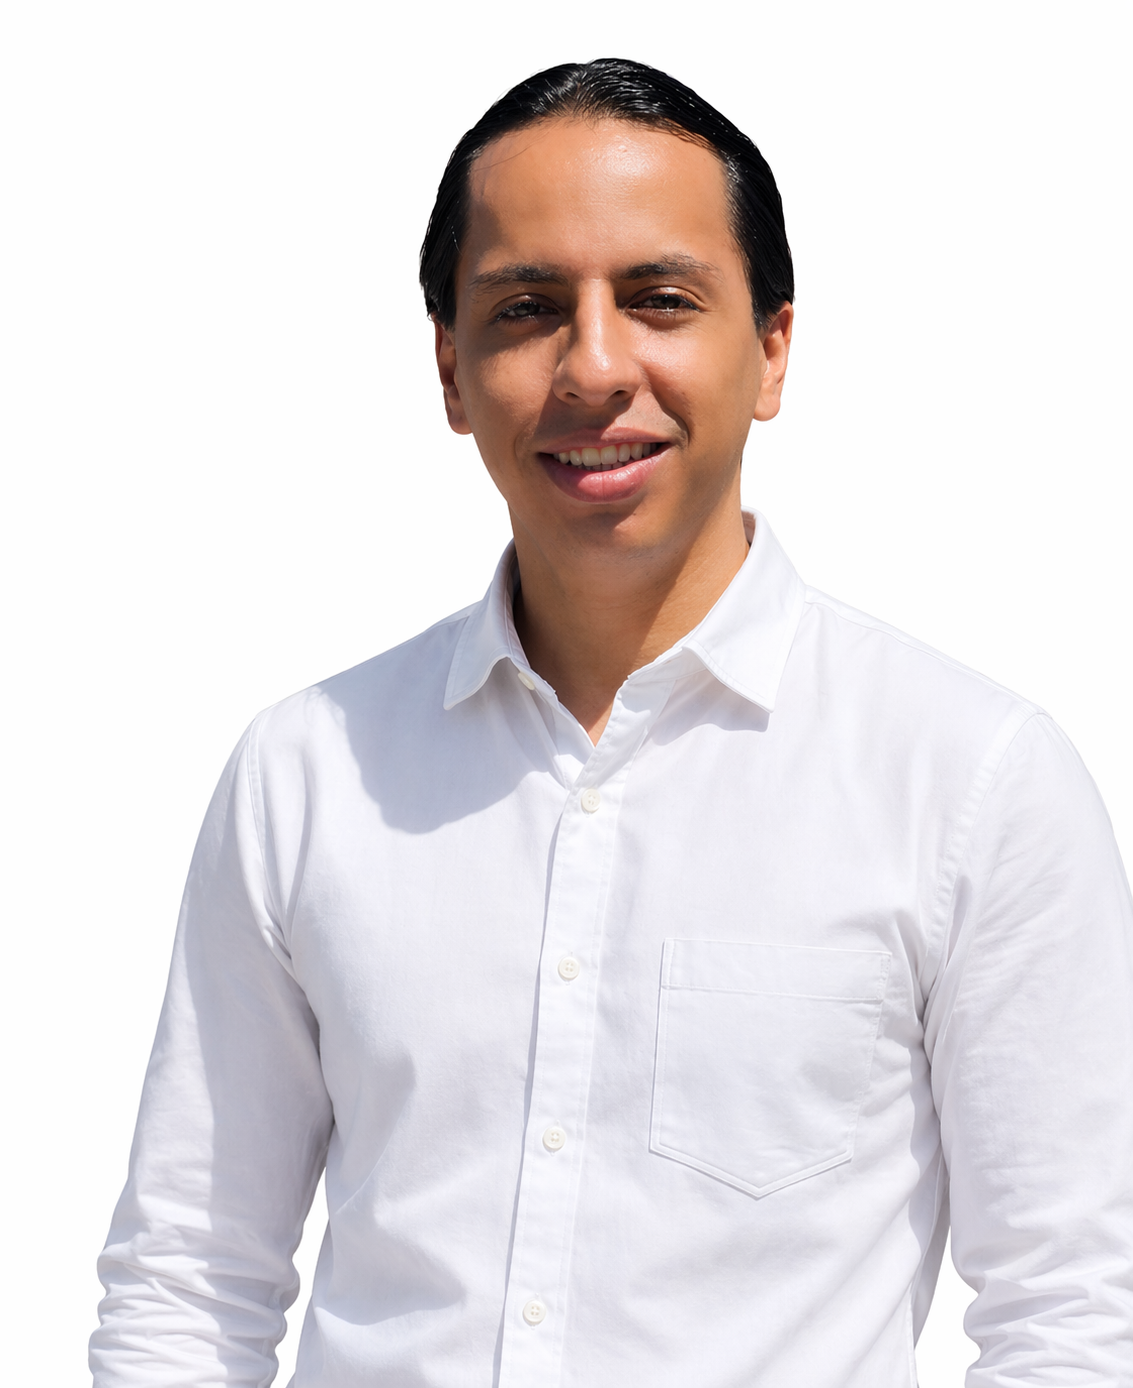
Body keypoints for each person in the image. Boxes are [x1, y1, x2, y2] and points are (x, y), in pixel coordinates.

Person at [90, 58, 1133, 1388]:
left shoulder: (968, 778)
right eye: (527, 308)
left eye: (659, 300)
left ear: (772, 350)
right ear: (451, 368)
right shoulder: (307, 775)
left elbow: (1074, 1309)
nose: (594, 366)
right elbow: (189, 1282)